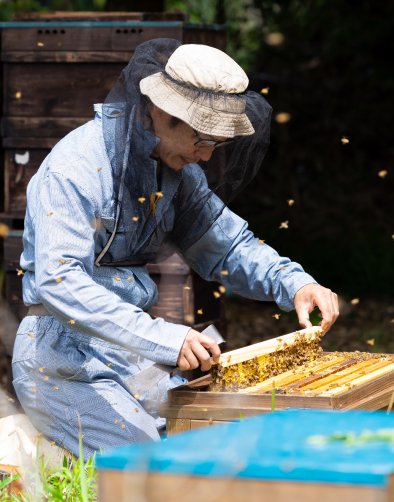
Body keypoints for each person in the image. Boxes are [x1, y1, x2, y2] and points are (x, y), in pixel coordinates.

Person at [11, 39, 339, 458]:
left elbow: (227, 245)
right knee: (155, 466)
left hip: (131, 356)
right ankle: (26, 452)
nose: (205, 157)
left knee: (206, 442)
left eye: (216, 145)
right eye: (202, 140)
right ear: (163, 114)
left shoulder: (176, 174)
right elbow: (60, 282)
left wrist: (293, 283)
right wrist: (165, 337)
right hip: (59, 360)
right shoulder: (74, 168)